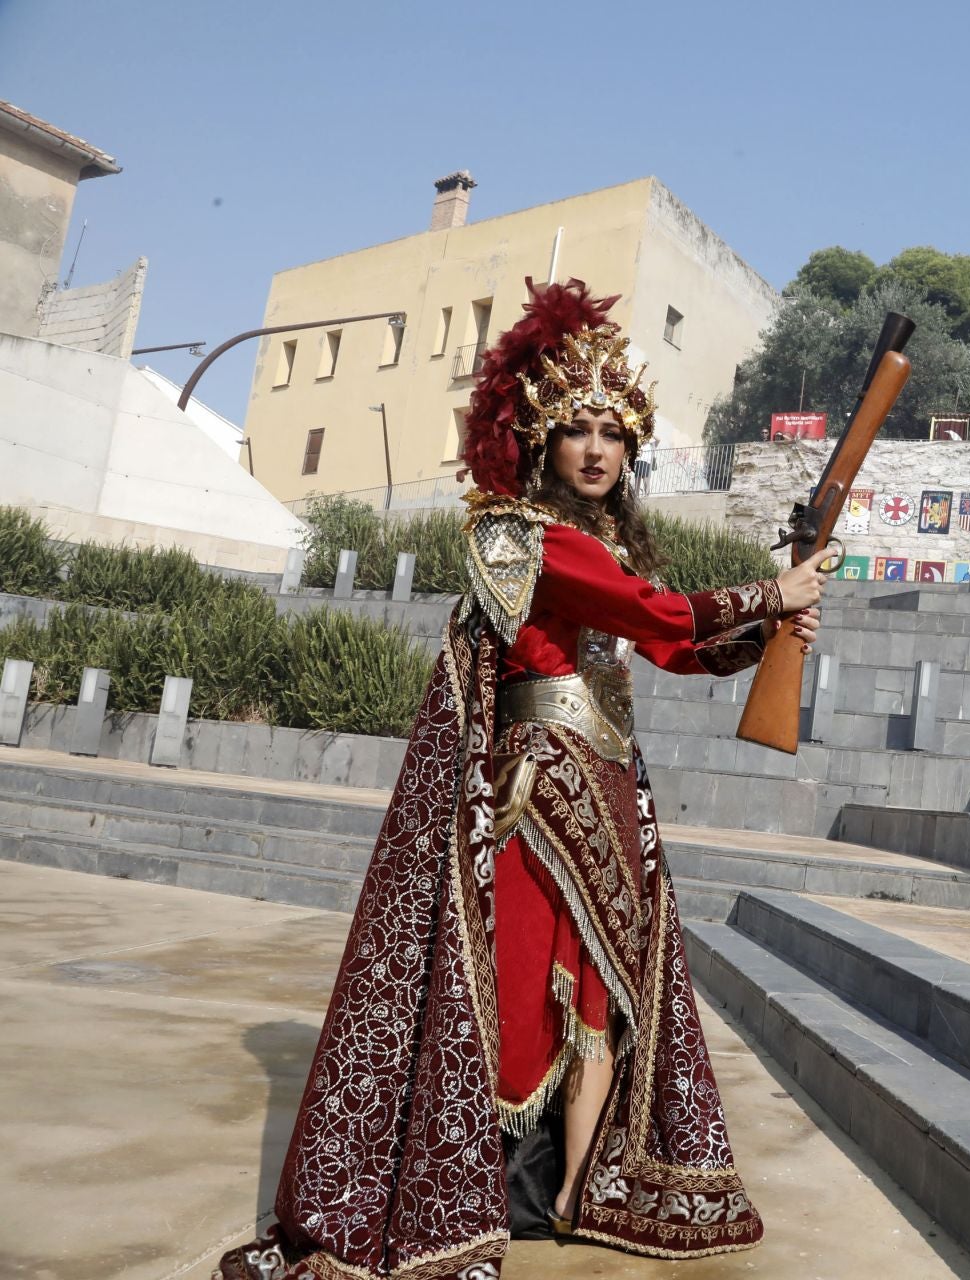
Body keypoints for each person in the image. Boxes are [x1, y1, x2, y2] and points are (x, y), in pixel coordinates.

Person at [218, 278, 828, 1279]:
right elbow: (654, 611)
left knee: (601, 998)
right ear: (541, 441)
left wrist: (771, 628)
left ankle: (576, 1192)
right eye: (575, 428)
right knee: (518, 995)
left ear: (632, 448)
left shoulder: (620, 543)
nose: (595, 447)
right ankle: (476, 1183)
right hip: (537, 794)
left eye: (613, 431)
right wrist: (767, 590)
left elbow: (674, 647)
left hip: (614, 794)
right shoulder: (512, 532)